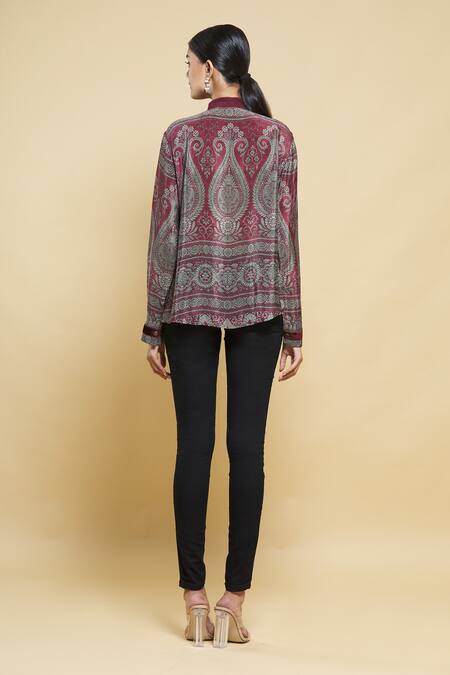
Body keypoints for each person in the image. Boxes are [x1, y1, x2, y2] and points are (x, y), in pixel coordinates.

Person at [141, 23, 303, 646]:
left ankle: (195, 599)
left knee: (194, 449)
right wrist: (293, 323)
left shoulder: (179, 137)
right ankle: (234, 601)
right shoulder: (279, 138)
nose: (186, 73)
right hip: (262, 307)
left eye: (189, 63)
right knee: (247, 452)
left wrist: (153, 321)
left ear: (210, 69)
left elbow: (164, 234)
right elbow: (287, 233)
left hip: (188, 307)